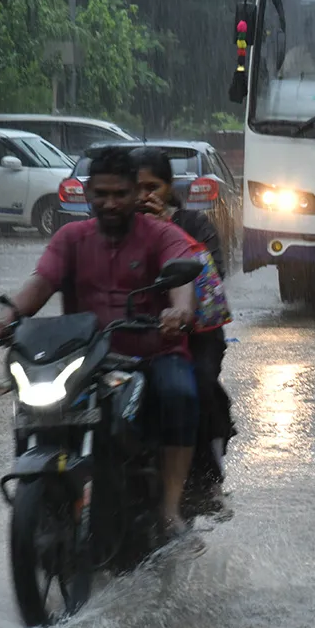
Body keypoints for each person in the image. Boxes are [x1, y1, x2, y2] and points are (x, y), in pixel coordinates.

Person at [0, 147, 201, 537]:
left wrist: (177, 312)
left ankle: (168, 508)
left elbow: (181, 280)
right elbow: (41, 283)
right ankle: (44, 494)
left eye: (119, 194)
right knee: (33, 402)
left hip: (153, 352)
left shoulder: (162, 234)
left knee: (180, 394)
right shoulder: (71, 237)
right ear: (87, 194)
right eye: (100, 194)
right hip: (86, 357)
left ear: (135, 194)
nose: (110, 203)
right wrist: (6, 320)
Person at [131, 147, 236, 505]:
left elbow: (213, 277)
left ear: (168, 187)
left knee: (199, 387)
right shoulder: (115, 228)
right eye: (137, 188)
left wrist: (165, 231)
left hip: (196, 336)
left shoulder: (194, 225)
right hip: (132, 332)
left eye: (152, 187)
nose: (144, 196)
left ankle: (207, 480)